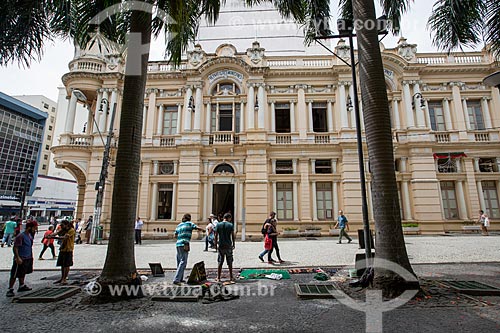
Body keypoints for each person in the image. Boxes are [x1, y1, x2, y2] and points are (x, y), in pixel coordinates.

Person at [6, 220, 37, 297]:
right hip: (21, 257)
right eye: (34, 228)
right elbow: (15, 247)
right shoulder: (21, 236)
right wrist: (17, 257)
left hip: (27, 257)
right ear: (29, 227)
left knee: (22, 272)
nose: (35, 229)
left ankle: (21, 285)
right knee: (15, 273)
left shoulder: (29, 235)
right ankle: (10, 289)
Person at [173, 213, 202, 285]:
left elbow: (175, 235)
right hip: (185, 243)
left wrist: (180, 236)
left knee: (179, 261)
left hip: (178, 244)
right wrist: (203, 230)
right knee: (183, 262)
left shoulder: (179, 225)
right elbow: (196, 227)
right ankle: (176, 279)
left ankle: (180, 278)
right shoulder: (189, 223)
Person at [49, 220, 76, 285]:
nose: (61, 226)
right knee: (62, 264)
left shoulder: (71, 230)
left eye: (62, 225)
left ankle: (64, 279)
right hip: (63, 249)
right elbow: (57, 233)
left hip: (68, 249)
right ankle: (62, 278)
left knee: (66, 265)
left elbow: (64, 237)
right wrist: (50, 235)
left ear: (66, 225)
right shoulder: (63, 230)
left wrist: (52, 237)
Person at [214, 213, 235, 282]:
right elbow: (232, 235)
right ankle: (231, 277)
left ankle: (218, 277)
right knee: (230, 262)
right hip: (228, 245)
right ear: (228, 218)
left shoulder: (218, 225)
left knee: (220, 262)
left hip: (221, 245)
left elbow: (216, 235)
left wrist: (215, 245)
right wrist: (233, 244)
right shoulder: (230, 225)